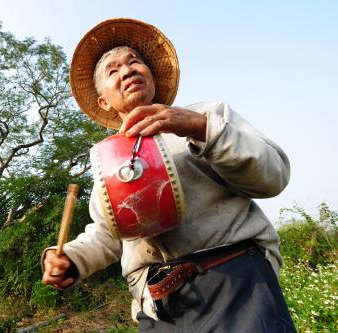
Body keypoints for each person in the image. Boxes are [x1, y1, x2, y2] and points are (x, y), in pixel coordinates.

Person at [42, 18, 296, 332]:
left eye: (135, 62)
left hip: (235, 283)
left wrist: (198, 127)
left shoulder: (206, 116)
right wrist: (71, 259)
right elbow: (108, 233)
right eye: (113, 69)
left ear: (151, 76)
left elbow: (273, 176)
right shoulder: (108, 160)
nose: (128, 70)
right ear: (103, 101)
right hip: (156, 307)